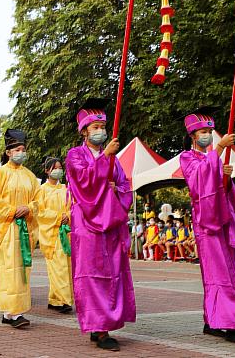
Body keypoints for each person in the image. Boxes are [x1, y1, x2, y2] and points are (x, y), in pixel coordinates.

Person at [179, 107, 235, 345]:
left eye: (210, 132)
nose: (208, 136)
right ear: (193, 135)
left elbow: (222, 191)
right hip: (206, 224)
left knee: (225, 271)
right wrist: (219, 148)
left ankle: (212, 321)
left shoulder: (214, 159)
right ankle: (230, 324)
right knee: (218, 274)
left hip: (223, 221)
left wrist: (227, 180)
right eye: (203, 132)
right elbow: (198, 182)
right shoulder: (187, 158)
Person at [65, 100, 135, 351]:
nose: (100, 131)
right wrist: (105, 158)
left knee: (112, 273)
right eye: (95, 127)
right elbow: (83, 182)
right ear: (84, 131)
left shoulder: (115, 159)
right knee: (91, 275)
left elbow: (125, 186)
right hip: (87, 224)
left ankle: (103, 325)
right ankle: (99, 328)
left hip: (111, 224)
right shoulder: (75, 155)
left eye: (103, 127)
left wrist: (116, 190)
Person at [0, 128, 40, 330]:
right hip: (6, 229)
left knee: (21, 271)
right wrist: (11, 211)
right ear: (8, 152)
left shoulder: (30, 176)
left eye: (23, 149)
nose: (21, 153)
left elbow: (39, 200)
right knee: (8, 270)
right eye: (17, 149)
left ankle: (11, 313)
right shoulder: (0, 174)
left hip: (24, 229)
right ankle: (12, 312)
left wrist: (30, 208)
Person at [36, 157, 73, 314]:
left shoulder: (66, 189)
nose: (58, 170)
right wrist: (58, 217)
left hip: (67, 234)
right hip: (51, 235)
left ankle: (55, 299)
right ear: (47, 171)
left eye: (60, 167)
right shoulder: (41, 190)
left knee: (66, 267)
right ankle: (63, 300)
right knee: (58, 268)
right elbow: (40, 212)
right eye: (54, 168)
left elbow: (73, 207)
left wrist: (68, 216)